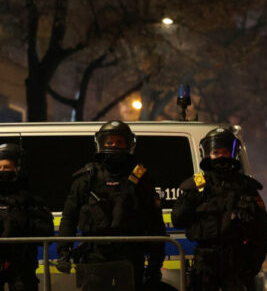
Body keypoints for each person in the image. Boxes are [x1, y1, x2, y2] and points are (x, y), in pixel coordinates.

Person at [56, 120, 166, 291]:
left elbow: (154, 222)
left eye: (119, 142)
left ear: (129, 144)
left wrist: (155, 262)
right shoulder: (86, 178)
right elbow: (69, 217)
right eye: (109, 142)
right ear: (101, 143)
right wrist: (64, 252)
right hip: (95, 255)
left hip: (130, 254)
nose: (114, 146)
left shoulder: (141, 179)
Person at [172, 126, 267, 291]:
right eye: (216, 152)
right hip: (205, 264)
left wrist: (252, 266)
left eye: (225, 151)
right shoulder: (195, 186)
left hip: (236, 263)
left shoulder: (246, 186)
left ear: (233, 153)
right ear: (207, 153)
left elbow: (263, 231)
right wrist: (190, 201)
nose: (221, 156)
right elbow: (177, 220)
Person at [0, 143, 54, 290]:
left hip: (22, 265)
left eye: (7, 167)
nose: (2, 171)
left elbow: (47, 232)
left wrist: (24, 222)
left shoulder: (31, 199)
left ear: (18, 168)